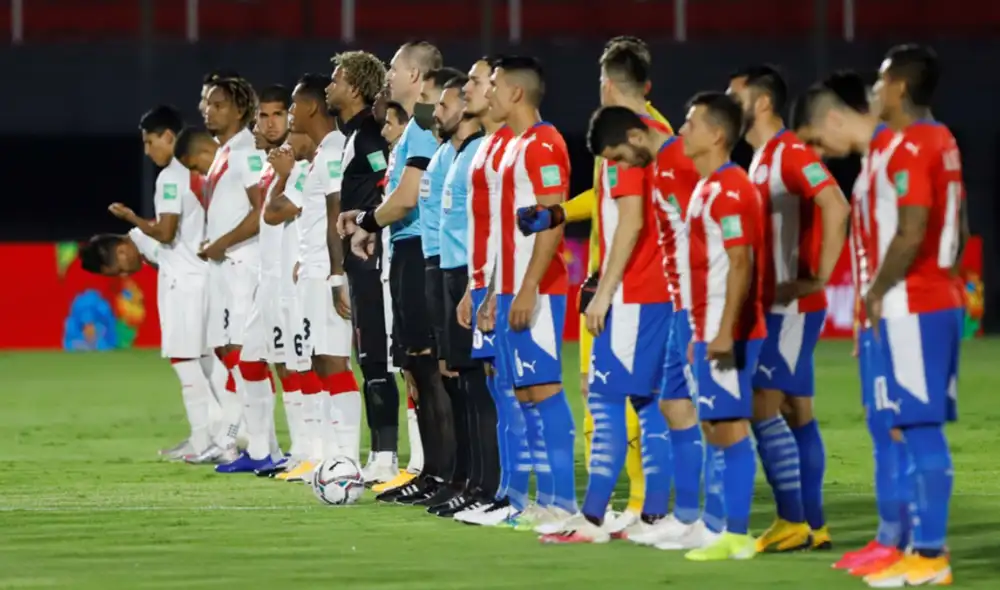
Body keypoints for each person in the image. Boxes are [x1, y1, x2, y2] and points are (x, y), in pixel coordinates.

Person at [513, 37, 668, 530]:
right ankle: (630, 506)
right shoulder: (636, 133)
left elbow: (634, 219)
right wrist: (558, 212)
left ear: (606, 82)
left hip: (628, 289)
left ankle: (639, 507)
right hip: (612, 285)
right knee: (608, 398)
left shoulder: (637, 140)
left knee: (627, 401)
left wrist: (606, 286)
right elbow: (606, 200)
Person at [573, 105, 714, 550]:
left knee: (616, 399)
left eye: (617, 157)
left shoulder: (672, 161)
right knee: (664, 404)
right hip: (671, 298)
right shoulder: (663, 159)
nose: (618, 167)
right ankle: (671, 515)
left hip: (653, 297)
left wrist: (605, 291)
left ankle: (596, 516)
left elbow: (695, 229)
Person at [727, 64, 850, 552]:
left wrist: (817, 277)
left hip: (792, 307)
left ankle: (792, 519)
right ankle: (814, 524)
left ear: (761, 103)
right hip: (777, 306)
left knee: (761, 404)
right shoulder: (761, 158)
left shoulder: (790, 152)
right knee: (797, 411)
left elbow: (836, 204)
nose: (727, 105)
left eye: (735, 97)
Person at [789, 71, 906, 577]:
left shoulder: (898, 155)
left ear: (834, 118)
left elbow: (918, 235)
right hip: (878, 321)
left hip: (904, 316)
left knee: (905, 431)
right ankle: (890, 539)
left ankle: (920, 548)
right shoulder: (872, 166)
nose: (819, 154)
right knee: (882, 427)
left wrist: (882, 304)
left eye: (817, 141)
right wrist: (862, 315)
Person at [340, 41, 450, 505]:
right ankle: (432, 472)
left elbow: (405, 199)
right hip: (405, 250)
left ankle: (446, 474)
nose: (388, 74)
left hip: (420, 252)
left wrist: (367, 221)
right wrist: (372, 224)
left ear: (417, 76)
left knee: (430, 369)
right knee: (416, 369)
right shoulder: (412, 131)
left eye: (395, 67)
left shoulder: (422, 126)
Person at [477, 56, 578, 528]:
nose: (489, 92)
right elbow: (507, 233)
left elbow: (552, 221)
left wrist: (529, 287)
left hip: (539, 288)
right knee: (525, 394)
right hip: (512, 287)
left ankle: (564, 502)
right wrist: (495, 292)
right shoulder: (512, 146)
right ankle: (543, 499)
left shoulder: (544, 144)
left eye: (495, 84)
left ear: (516, 92)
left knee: (544, 389)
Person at [87, 105, 219, 463]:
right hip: (203, 278)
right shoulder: (197, 174)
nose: (147, 151)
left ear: (168, 136)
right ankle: (221, 437)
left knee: (186, 361)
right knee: (210, 362)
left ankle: (206, 441)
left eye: (150, 142)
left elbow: (165, 232)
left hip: (185, 285)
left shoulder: (171, 177)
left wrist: (132, 217)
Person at [676, 91, 765, 562]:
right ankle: (719, 527)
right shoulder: (707, 187)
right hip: (704, 326)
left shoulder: (730, 188)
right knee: (713, 426)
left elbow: (740, 261)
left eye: (691, 123)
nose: (682, 130)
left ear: (716, 135)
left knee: (728, 428)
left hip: (724, 330)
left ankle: (737, 533)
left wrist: (726, 329)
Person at [325, 50, 403, 486]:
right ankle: (382, 454)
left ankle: (387, 457)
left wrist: (366, 225)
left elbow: (382, 186)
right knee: (370, 356)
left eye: (336, 80)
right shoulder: (355, 135)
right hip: (362, 260)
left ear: (354, 88)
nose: (328, 87)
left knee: (377, 356)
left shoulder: (370, 137)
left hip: (372, 257)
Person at [452, 57, 523, 524]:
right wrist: (472, 287)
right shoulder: (487, 147)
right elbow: (485, 228)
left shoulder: (514, 146)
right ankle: (502, 491)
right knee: (498, 389)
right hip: (484, 282)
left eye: (479, 82)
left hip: (506, 284)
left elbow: (513, 227)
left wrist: (497, 288)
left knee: (514, 391)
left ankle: (518, 496)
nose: (471, 89)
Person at [280, 73, 361, 482]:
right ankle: (331, 455)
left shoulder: (333, 152)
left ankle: (347, 458)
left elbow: (335, 216)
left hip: (326, 273)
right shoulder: (322, 153)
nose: (290, 114)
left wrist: (336, 275)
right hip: (312, 270)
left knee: (333, 360)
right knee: (319, 360)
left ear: (310, 107)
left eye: (293, 105)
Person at [429, 73, 498, 518]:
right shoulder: (456, 153)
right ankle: (470, 481)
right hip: (453, 272)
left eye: (446, 102)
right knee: (461, 381)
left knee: (478, 384)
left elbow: (487, 225)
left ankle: (487, 485)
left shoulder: (481, 152)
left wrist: (478, 284)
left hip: (475, 276)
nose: (438, 111)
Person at [194, 76, 269, 472]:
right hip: (225, 263)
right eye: (206, 102)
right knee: (227, 350)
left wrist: (223, 242)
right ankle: (235, 438)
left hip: (244, 263)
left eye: (218, 104)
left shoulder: (248, 152)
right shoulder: (225, 151)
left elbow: (261, 209)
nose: (208, 110)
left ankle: (264, 444)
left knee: (244, 352)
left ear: (240, 110)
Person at [236, 85, 305, 477]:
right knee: (251, 361)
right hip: (268, 279)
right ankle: (263, 450)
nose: (270, 122)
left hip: (288, 278)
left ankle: (302, 451)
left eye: (278, 114)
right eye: (263, 116)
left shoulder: (296, 162)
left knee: (291, 365)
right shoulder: (269, 165)